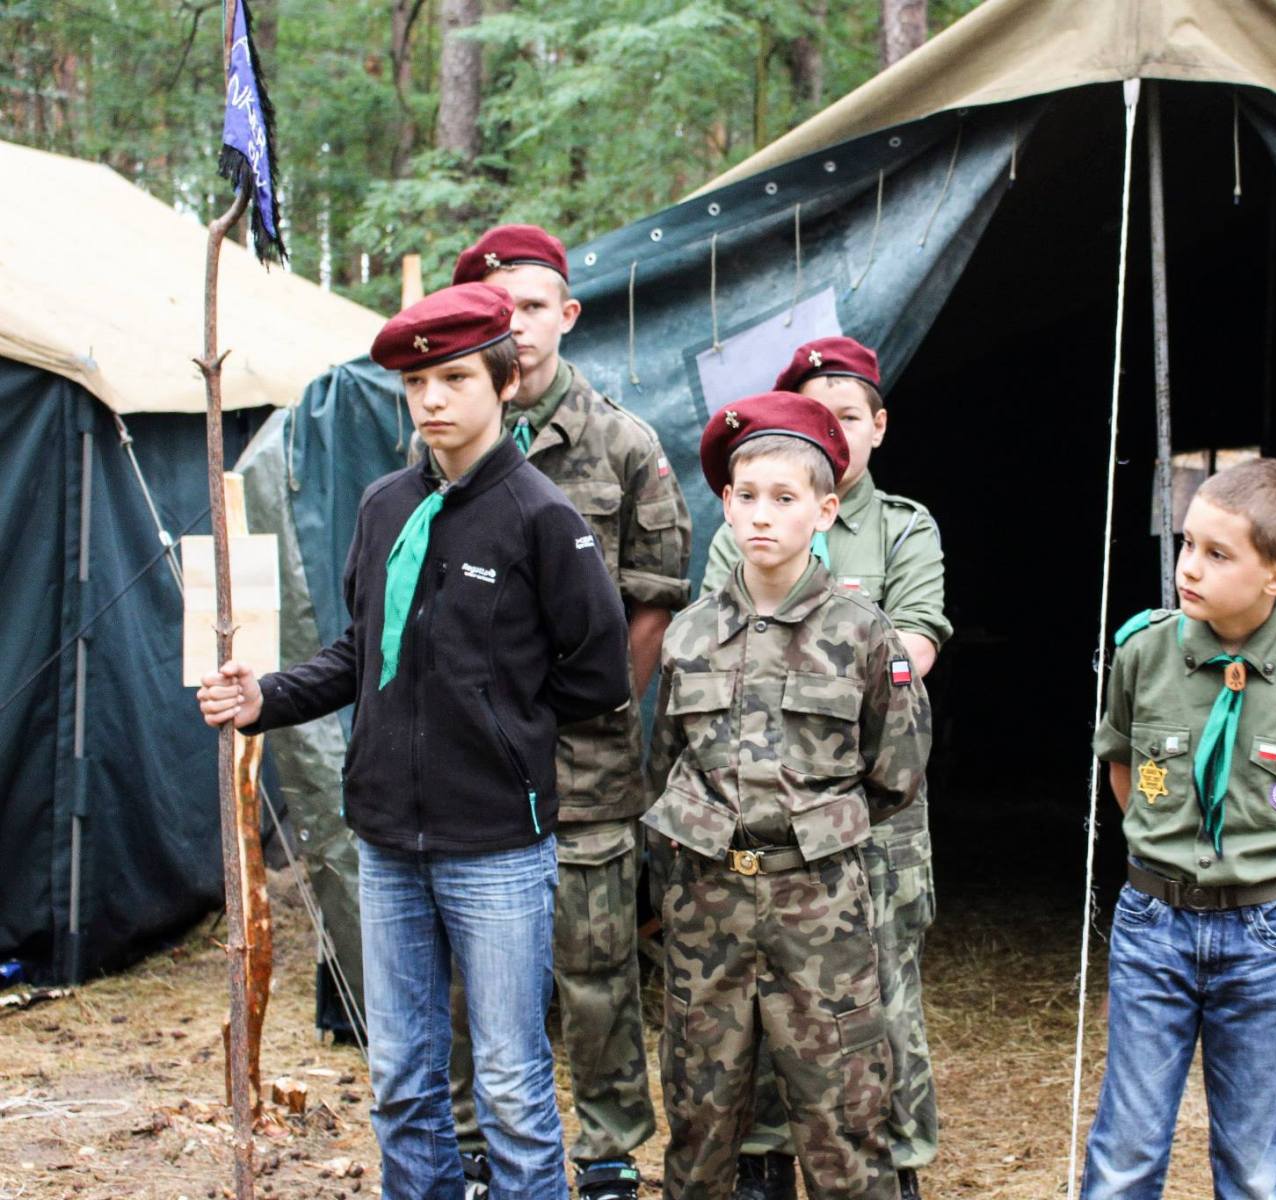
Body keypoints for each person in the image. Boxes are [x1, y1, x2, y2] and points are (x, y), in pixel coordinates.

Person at [196, 282, 631, 1200]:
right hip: (387, 839)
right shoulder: (385, 505)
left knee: (510, 1083)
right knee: (400, 1077)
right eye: (415, 383)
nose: (432, 399)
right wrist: (264, 697)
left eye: (455, 378)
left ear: (504, 383)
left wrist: (496, 724)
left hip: (497, 848)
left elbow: (598, 676)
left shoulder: (543, 517)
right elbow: (362, 651)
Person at [443, 224, 692, 1200]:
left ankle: (608, 1147)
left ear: (567, 315)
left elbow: (653, 604)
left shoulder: (623, 445)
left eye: (534, 306)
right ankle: (472, 1141)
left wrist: (592, 707)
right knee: (472, 966)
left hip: (584, 758)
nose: (517, 324)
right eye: (498, 309)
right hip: (473, 757)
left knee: (595, 967)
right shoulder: (446, 437)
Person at [646, 392, 932, 1200]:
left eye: (784, 497)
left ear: (825, 511)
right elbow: (667, 763)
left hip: (820, 906)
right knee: (700, 1120)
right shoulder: (689, 634)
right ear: (725, 503)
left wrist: (813, 839)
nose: (762, 515)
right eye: (746, 496)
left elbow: (896, 771)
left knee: (844, 1120)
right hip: (708, 905)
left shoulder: (864, 633)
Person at [1080, 458, 1276, 1200]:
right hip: (1153, 925)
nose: (1190, 567)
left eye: (1218, 554)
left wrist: (1261, 856)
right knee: (1126, 1150)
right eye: (1188, 544)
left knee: (1255, 1161)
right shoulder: (1142, 651)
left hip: (1266, 936)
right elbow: (1124, 771)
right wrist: (1170, 851)